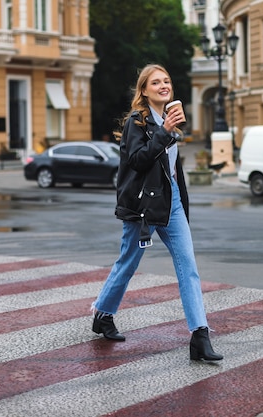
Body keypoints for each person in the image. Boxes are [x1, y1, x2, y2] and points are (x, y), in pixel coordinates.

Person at [91, 64, 222, 362]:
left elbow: (172, 170)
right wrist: (164, 132)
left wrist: (182, 202)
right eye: (156, 82)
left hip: (171, 201)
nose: (163, 85)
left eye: (167, 81)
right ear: (144, 90)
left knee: (188, 265)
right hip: (143, 206)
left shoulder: (170, 122)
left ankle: (200, 335)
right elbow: (138, 161)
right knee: (128, 263)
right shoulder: (137, 123)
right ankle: (103, 313)